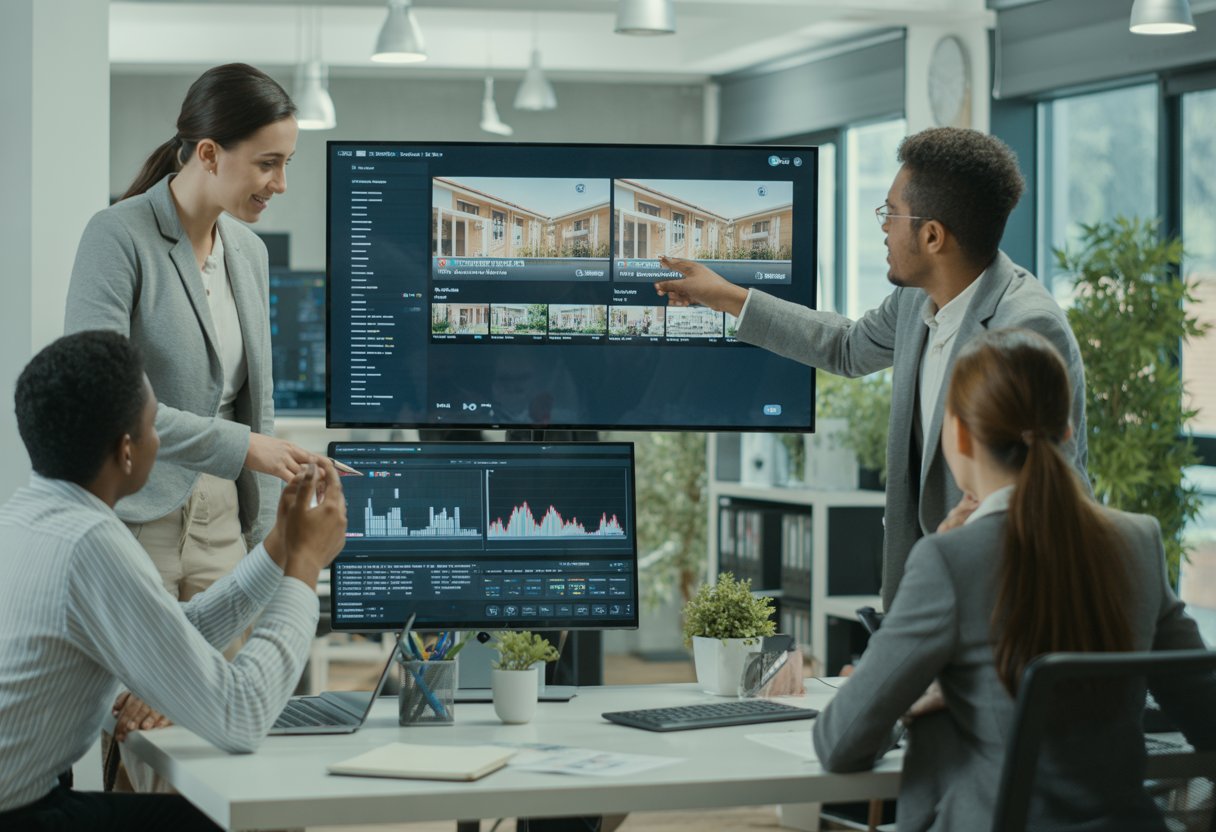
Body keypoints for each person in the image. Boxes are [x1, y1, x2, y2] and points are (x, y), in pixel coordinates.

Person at [654, 127, 1087, 609]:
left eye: (892, 213)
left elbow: (1045, 491)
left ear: (932, 235)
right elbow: (846, 346)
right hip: (932, 590)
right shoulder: (914, 299)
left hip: (1011, 601)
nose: (883, 226)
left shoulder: (1026, 327)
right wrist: (726, 297)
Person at [810, 328, 1216, 831]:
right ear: (1067, 430)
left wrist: (917, 705)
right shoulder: (1137, 541)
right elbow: (1207, 715)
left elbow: (838, 741)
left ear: (957, 433)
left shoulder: (948, 561)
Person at [0, 331, 348, 831]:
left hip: (28, 800)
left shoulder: (29, 517)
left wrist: (277, 551)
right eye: (152, 423)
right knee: (262, 820)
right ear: (126, 451)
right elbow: (242, 714)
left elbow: (169, 630)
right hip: (26, 815)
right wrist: (305, 569)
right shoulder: (93, 543)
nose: (160, 440)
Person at [65, 63, 319, 611]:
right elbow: (106, 402)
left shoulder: (250, 253)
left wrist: (266, 546)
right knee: (138, 696)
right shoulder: (116, 236)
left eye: (286, 164)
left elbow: (260, 407)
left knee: (224, 692)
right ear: (207, 154)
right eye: (268, 164)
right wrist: (245, 447)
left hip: (225, 518)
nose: (280, 184)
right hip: (134, 513)